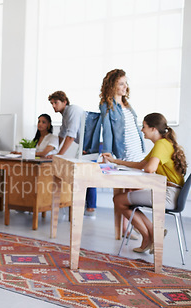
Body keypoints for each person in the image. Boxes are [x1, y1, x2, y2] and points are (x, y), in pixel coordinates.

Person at [102, 113, 187, 253]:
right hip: (171, 193)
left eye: (144, 126)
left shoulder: (161, 144)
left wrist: (147, 167)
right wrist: (115, 161)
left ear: (153, 129)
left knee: (118, 200)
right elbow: (141, 164)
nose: (142, 130)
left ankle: (147, 237)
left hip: (168, 195)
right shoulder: (163, 144)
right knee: (126, 201)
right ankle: (153, 233)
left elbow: (149, 168)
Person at [100, 69, 146, 236]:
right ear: (112, 85)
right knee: (125, 192)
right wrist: (107, 153)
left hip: (137, 150)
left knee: (133, 192)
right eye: (121, 83)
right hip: (123, 152)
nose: (125, 86)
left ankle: (132, 226)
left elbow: (134, 129)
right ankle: (126, 228)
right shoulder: (107, 105)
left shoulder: (127, 104)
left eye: (126, 83)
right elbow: (107, 131)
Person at [48, 91, 97, 216]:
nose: (53, 105)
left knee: (88, 175)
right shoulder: (64, 115)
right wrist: (55, 151)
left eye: (56, 102)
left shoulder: (72, 111)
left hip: (91, 144)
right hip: (84, 145)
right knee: (82, 175)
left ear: (64, 102)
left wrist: (58, 156)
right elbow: (62, 135)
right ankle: (82, 204)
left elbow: (70, 136)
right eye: (52, 103)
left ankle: (91, 208)